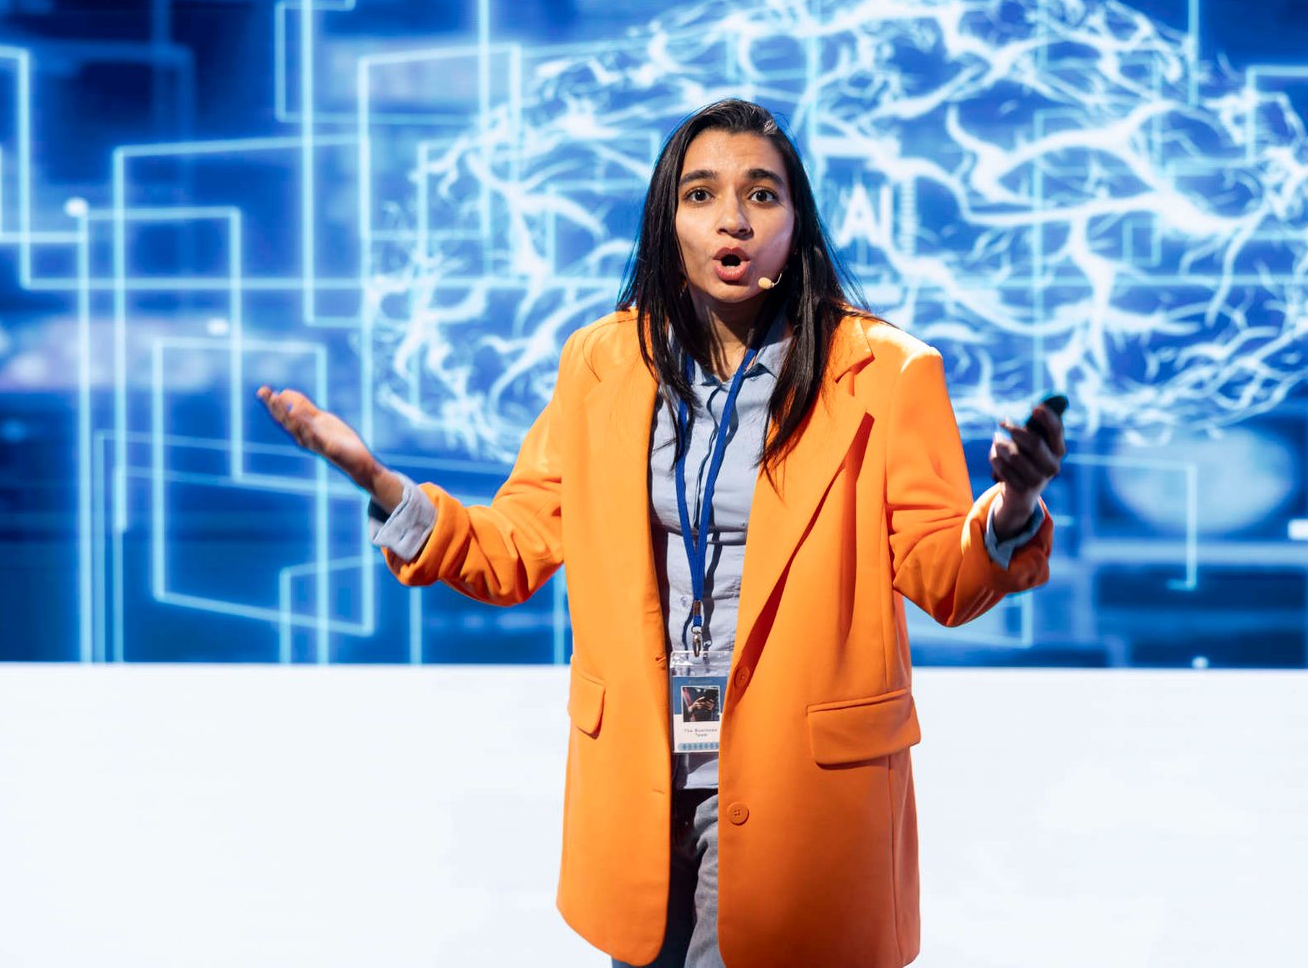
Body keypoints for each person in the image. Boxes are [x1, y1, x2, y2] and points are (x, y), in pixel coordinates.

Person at [256, 98, 1065, 968]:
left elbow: (943, 573)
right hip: (640, 776)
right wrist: (381, 484)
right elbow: (513, 544)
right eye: (701, 194)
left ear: (797, 222)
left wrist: (1011, 507)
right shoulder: (602, 362)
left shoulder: (885, 372)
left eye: (762, 194)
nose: (732, 218)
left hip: (799, 784)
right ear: (666, 221)